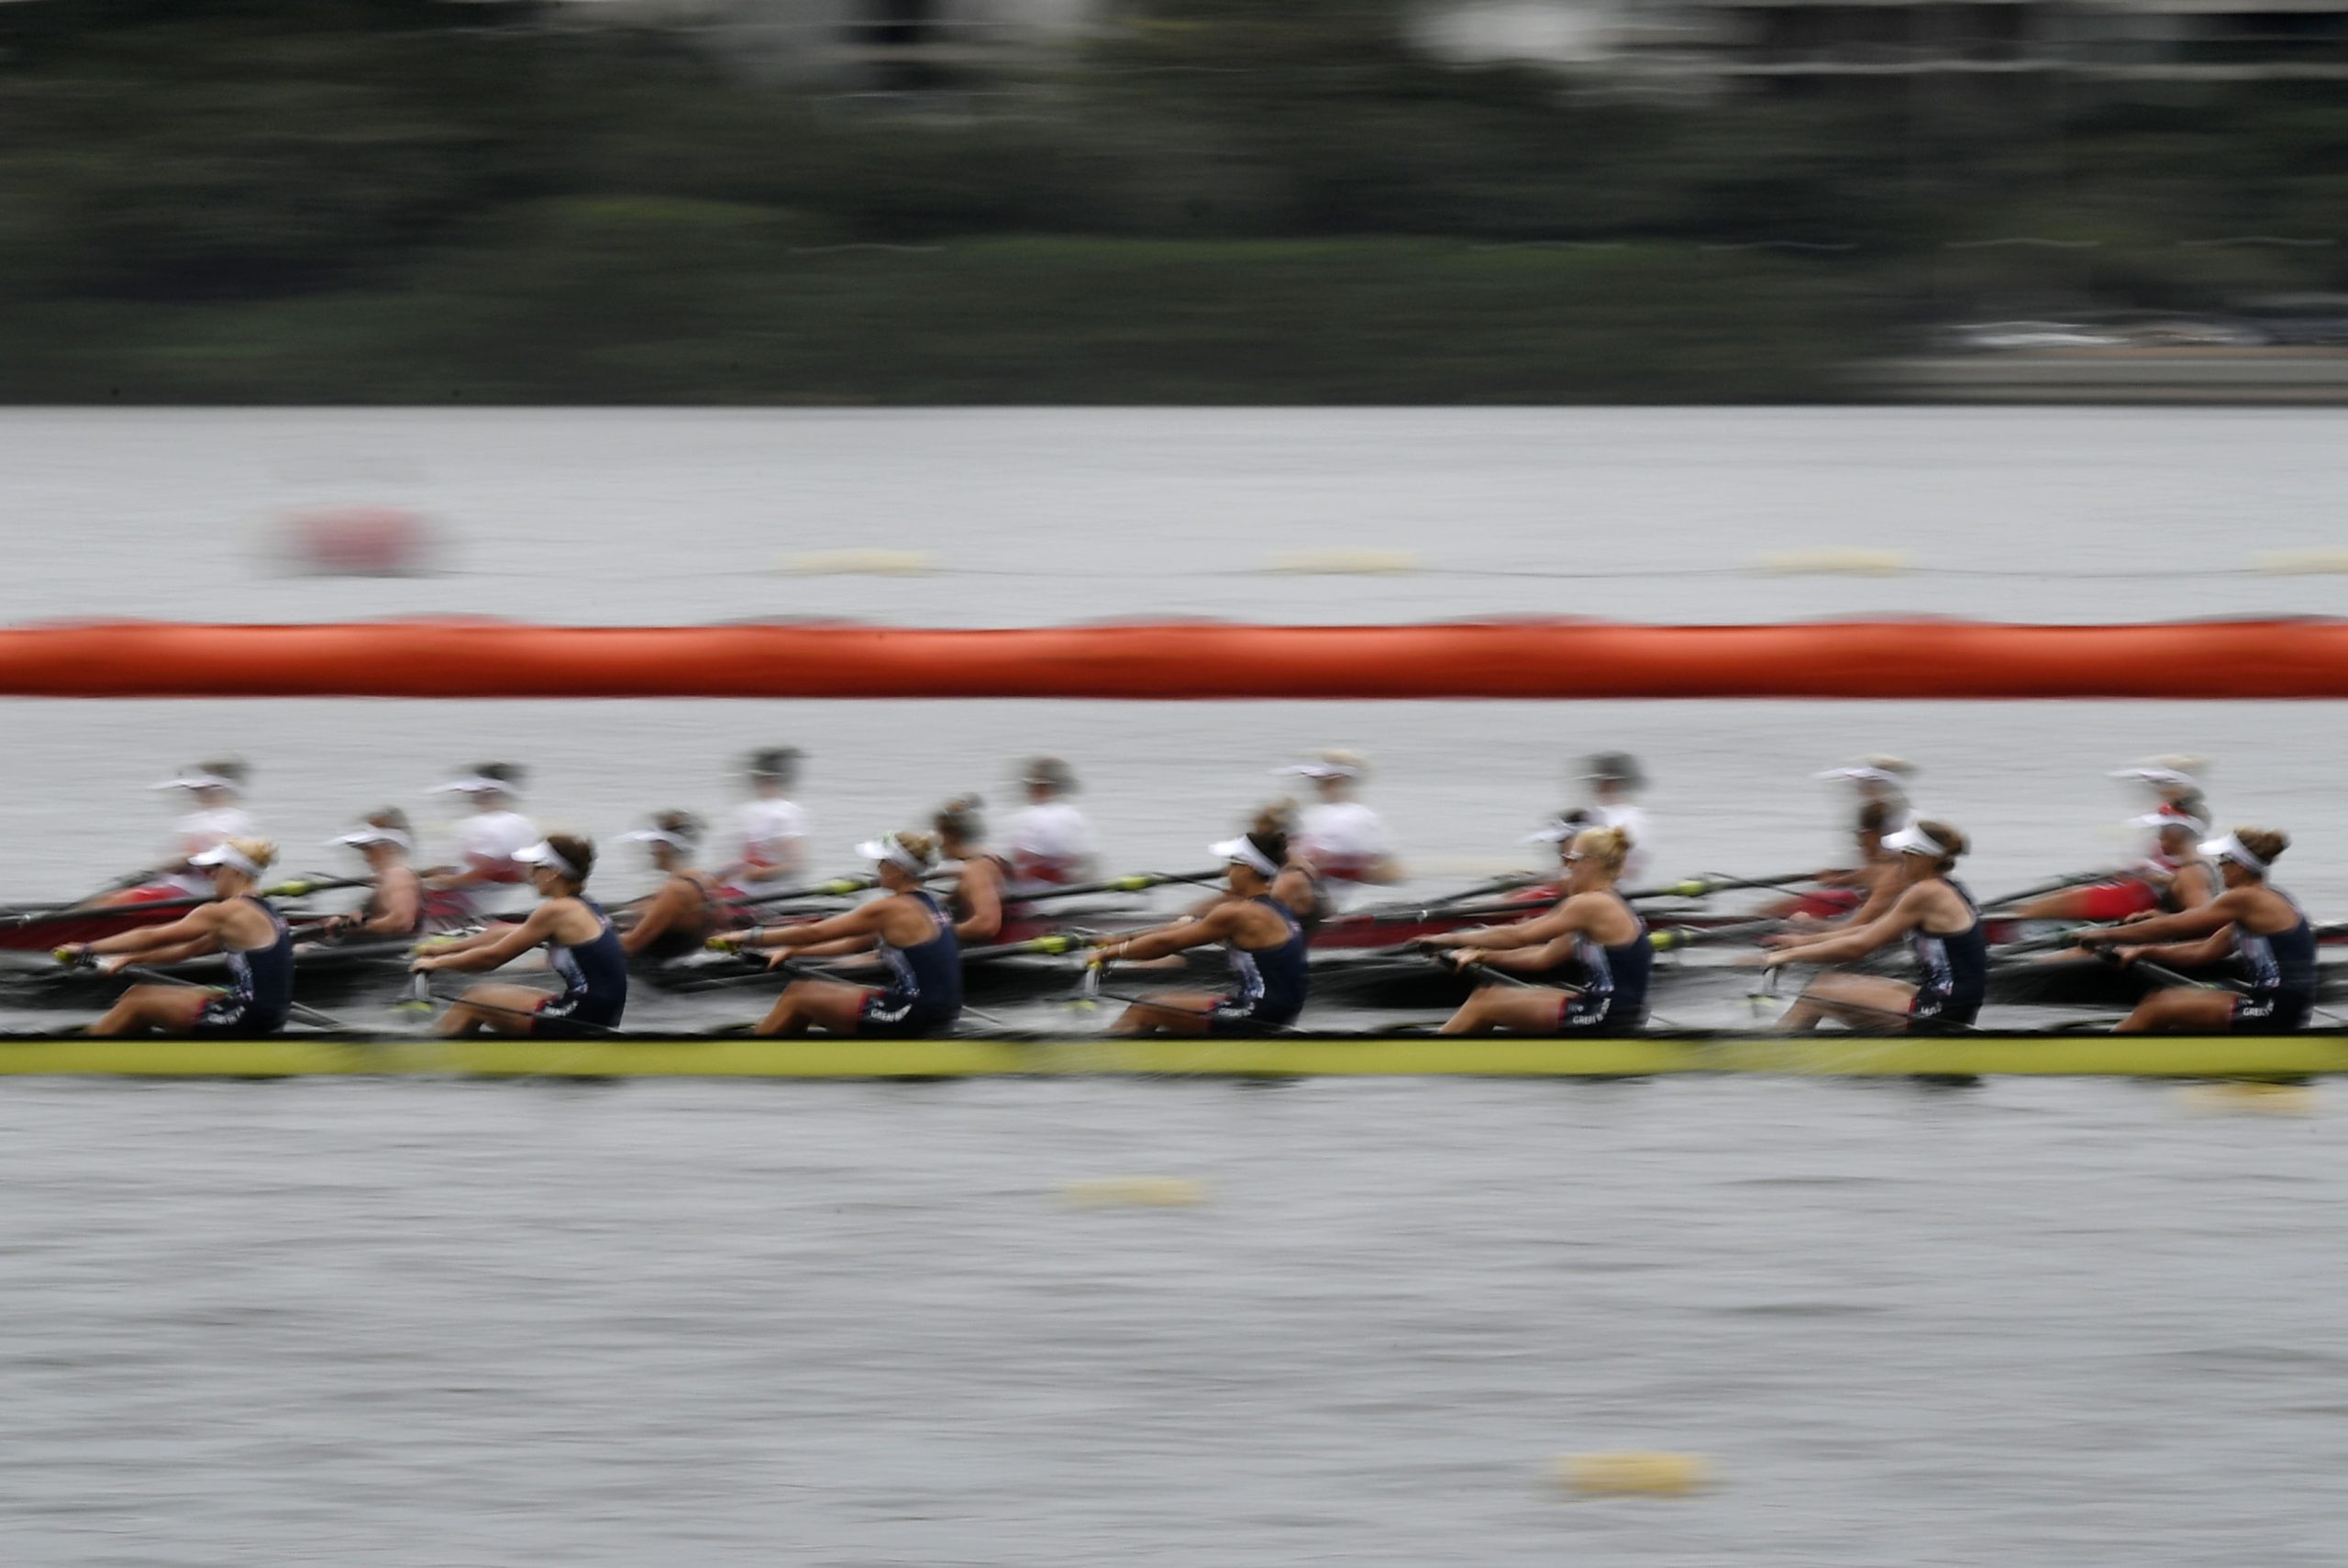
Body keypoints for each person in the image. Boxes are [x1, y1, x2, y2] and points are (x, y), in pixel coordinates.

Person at [718, 831, 961, 1037]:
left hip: (916, 1015)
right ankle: (784, 1037)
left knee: (799, 994)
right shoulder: (932, 904)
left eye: (882, 862)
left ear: (899, 870)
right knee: (838, 992)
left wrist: (747, 936)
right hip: (941, 1011)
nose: (876, 867)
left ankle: (753, 1052)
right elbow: (852, 944)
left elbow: (813, 932)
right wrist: (792, 951)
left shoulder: (891, 908)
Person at [2074, 828, 2315, 1034]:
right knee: (2159, 998)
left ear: (2241, 866)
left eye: (2224, 860)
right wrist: (2142, 951)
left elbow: (2175, 926)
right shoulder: (2262, 901)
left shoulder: (2246, 898)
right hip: (2275, 1004)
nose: (2219, 866)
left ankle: (2098, 1055)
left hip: (2273, 1008)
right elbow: (2203, 951)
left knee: (2160, 1007)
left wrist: (2104, 935)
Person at [1762, 820, 1988, 1032]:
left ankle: (1772, 1050)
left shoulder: (1926, 893)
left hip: (1942, 1009)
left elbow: (1858, 947)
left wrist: (1788, 955)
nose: (1902, 858)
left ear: (1927, 858)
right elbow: (1871, 929)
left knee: (1816, 995)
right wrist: (1802, 942)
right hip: (1945, 1000)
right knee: (1825, 981)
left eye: (1908, 853)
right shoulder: (1950, 887)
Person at [1423, 826, 1652, 1035]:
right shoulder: (1612, 902)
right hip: (1615, 1011)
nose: (1567, 866)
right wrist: (1482, 955)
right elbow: (1543, 956)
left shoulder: (1591, 904)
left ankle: (1428, 1055)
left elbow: (1519, 936)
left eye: (1572, 858)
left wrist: (1449, 939)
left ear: (1594, 863)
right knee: (1492, 993)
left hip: (1605, 1014)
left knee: (1485, 1002)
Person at [61, 838, 294, 1037]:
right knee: (142, 993)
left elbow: (151, 936)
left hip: (247, 1017)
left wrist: (87, 948)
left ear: (235, 870)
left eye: (216, 868)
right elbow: (186, 950)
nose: (211, 875)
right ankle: (125, 1042)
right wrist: (130, 958)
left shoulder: (228, 912)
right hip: (270, 1016)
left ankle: (82, 1052)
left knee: (138, 1000)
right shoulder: (267, 910)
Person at [1089, 829, 1308, 1035]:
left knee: (1145, 1008)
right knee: (1158, 1004)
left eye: (1232, 865)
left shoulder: (1241, 913)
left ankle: (1099, 1053)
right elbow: (1183, 928)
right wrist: (1120, 940)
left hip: (1258, 1012)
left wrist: (1109, 954)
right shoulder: (1273, 908)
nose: (1226, 872)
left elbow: (1166, 944)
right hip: (1271, 1010)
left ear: (1249, 868)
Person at [415, 835, 626, 1037]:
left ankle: (425, 1051)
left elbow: (491, 959)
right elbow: (504, 933)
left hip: (583, 1015)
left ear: (553, 872)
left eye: (535, 867)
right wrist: (440, 950)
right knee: (484, 992)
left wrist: (436, 963)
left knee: (473, 1000)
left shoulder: (557, 911)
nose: (530, 874)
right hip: (598, 1011)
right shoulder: (583, 905)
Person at [2009, 800, 2221, 922]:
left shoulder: (2192, 873)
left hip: (2153, 933)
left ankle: (2016, 921)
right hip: (2147, 916)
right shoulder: (2195, 865)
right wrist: (2159, 879)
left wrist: (2160, 918)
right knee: (2065, 896)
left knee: (2065, 922)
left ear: (2178, 832)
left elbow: (2203, 918)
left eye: (2163, 830)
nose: (2158, 837)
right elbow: (2187, 892)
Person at [126, 760, 261, 900]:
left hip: (198, 893)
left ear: (218, 789)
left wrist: (177, 863)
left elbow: (215, 859)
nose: (197, 795)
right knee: (118, 898)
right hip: (173, 886)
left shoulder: (234, 820)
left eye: (201, 790)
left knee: (124, 900)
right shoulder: (196, 820)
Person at [422, 764, 537, 921]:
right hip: (490, 901)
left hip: (465, 904)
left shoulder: (489, 823)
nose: (472, 798)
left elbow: (489, 870)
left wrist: (444, 882)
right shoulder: (524, 824)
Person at [1275, 750, 1401, 885]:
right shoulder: (1313, 814)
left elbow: (1392, 873)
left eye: (1323, 781)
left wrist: (1328, 867)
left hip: (1320, 894)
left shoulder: (1358, 817)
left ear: (1341, 781)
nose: (1317, 787)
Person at [617, 811, 725, 962]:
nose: (651, 851)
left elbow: (630, 945)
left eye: (653, 844)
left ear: (663, 847)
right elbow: (721, 928)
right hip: (691, 956)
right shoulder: (707, 881)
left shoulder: (674, 892)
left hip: (660, 969)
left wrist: (596, 935)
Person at [717, 747, 810, 893]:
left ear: (767, 780)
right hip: (740, 887)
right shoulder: (752, 810)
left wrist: (755, 874)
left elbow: (795, 865)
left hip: (763, 894)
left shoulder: (785, 813)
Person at [320, 810, 424, 938]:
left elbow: (401, 922)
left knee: (301, 947)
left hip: (382, 948)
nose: (366, 858)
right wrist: (346, 922)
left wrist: (356, 928)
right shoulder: (390, 877)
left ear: (387, 848)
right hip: (365, 945)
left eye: (369, 850)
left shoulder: (398, 876)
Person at [1005, 756, 1097, 890]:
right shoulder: (1075, 816)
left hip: (1034, 894)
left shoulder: (1037, 816)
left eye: (1031, 786)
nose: (1028, 791)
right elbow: (1085, 864)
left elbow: (1030, 866)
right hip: (1058, 890)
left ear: (1045, 787)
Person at [935, 796, 1009, 944]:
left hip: (989, 947)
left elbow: (986, 925)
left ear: (953, 837)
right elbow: (960, 895)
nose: (937, 844)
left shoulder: (976, 870)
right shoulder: (984, 857)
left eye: (939, 835)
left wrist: (931, 933)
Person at [1570, 752, 1652, 884]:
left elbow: (1628, 867)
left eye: (1599, 782)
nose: (1594, 788)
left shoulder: (1633, 819)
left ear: (1613, 783)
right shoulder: (1593, 814)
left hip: (1612, 886)